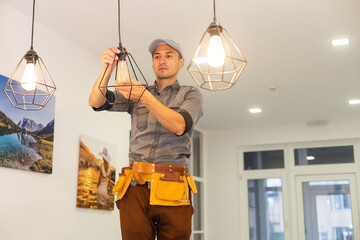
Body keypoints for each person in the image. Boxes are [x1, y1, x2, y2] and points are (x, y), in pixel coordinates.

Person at [88, 38, 203, 240]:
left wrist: (143, 96)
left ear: (181, 62)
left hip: (173, 186)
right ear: (152, 63)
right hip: (135, 186)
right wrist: (108, 67)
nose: (162, 60)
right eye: (157, 57)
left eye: (169, 56)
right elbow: (96, 101)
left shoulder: (190, 94)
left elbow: (179, 126)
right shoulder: (136, 94)